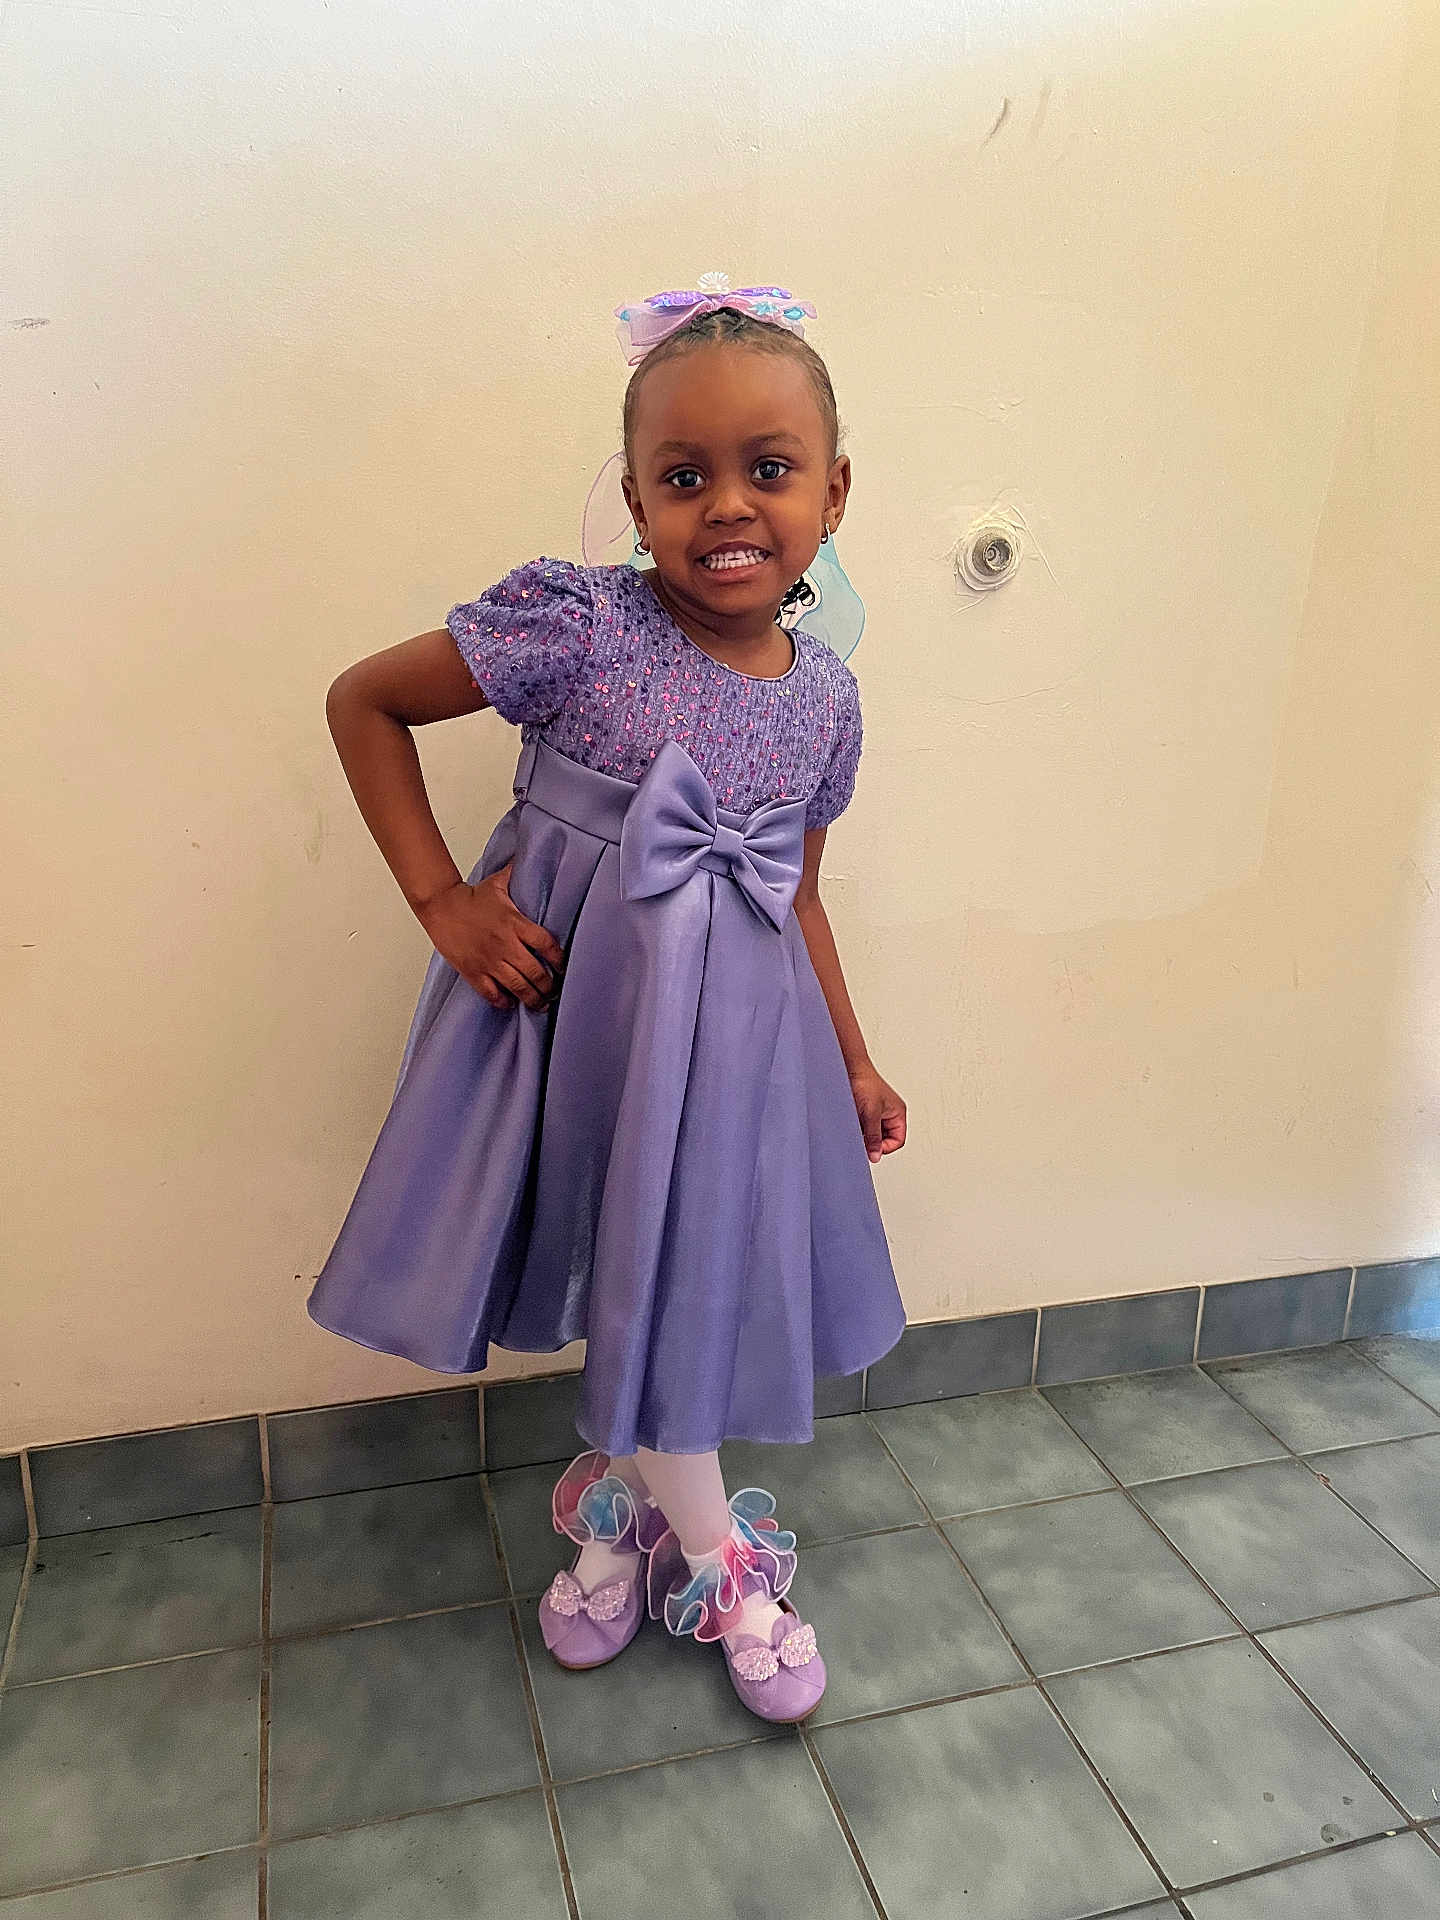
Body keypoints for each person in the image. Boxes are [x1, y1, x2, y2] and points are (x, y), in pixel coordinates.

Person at [308, 275, 909, 1723]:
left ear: (835, 494)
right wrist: (445, 901)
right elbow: (363, 701)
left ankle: (633, 1519)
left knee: (683, 1283)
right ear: (635, 504)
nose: (727, 507)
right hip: (571, 1035)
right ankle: (707, 1555)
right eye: (681, 476)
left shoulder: (824, 700)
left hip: (738, 1053)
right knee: (608, 1262)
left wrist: (854, 1061)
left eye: (769, 471)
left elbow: (797, 893)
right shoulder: (576, 630)